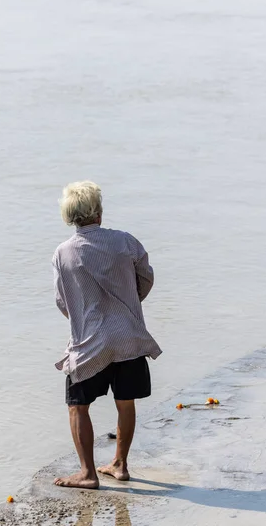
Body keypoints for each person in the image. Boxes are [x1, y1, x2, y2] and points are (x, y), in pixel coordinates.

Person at [52, 181, 162, 489]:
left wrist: (85, 317)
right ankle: (120, 465)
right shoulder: (125, 241)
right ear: (98, 212)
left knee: (77, 405)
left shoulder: (63, 254)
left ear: (69, 216)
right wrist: (128, 304)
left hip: (90, 343)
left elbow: (63, 302)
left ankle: (87, 473)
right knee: (125, 402)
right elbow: (146, 277)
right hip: (129, 337)